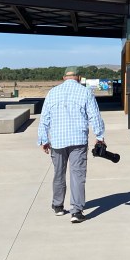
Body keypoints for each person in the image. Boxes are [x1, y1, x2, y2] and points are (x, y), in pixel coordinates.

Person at [38, 67, 106, 223]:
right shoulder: (85, 92)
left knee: (58, 173)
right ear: (79, 78)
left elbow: (44, 118)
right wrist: (99, 136)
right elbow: (94, 116)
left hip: (57, 141)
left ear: (64, 78)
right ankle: (76, 212)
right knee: (77, 175)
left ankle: (58, 206)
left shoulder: (52, 93)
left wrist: (43, 139)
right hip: (78, 141)